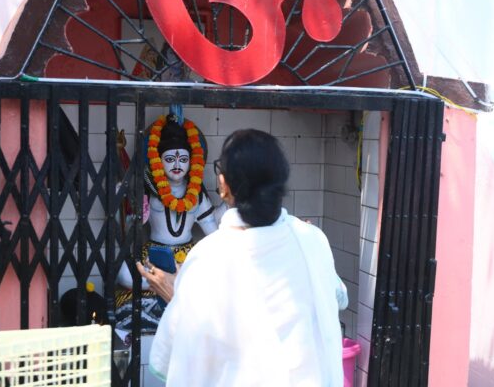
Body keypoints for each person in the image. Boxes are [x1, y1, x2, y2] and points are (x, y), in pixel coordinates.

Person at [137, 129, 348, 386]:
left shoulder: (207, 257)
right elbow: (339, 298)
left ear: (223, 186)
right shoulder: (312, 238)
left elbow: (175, 357)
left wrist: (177, 295)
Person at [115, 115, 217, 334]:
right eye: (170, 159)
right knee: (123, 274)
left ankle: (170, 289)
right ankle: (172, 289)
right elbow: (130, 232)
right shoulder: (150, 190)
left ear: (192, 162)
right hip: (154, 256)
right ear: (158, 161)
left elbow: (214, 235)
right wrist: (132, 213)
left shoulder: (197, 194)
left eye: (183, 159)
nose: (177, 165)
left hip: (187, 259)